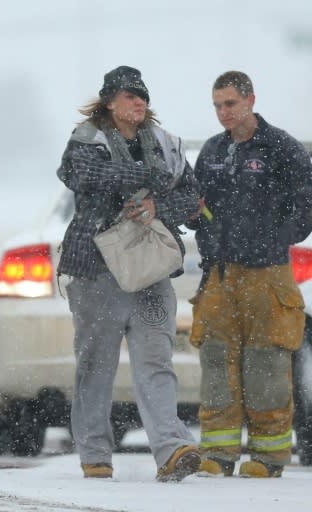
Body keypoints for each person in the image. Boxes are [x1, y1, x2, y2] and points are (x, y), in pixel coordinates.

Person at [57, 66, 201, 481]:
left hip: (151, 271)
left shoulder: (167, 144)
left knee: (157, 362)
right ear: (109, 102)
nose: (139, 102)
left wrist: (159, 207)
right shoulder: (88, 139)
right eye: (129, 95)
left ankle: (171, 451)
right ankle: (95, 454)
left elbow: (191, 196)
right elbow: (83, 176)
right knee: (95, 365)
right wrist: (148, 177)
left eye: (142, 96)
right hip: (96, 270)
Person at [187, 71, 312, 478]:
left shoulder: (281, 148)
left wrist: (275, 237)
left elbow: (306, 205)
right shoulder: (212, 151)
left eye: (231, 104)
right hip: (220, 276)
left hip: (267, 274)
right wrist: (198, 222)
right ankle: (219, 453)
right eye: (218, 105)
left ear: (250, 100)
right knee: (217, 361)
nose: (224, 113)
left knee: (267, 364)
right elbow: (198, 205)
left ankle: (269, 456)